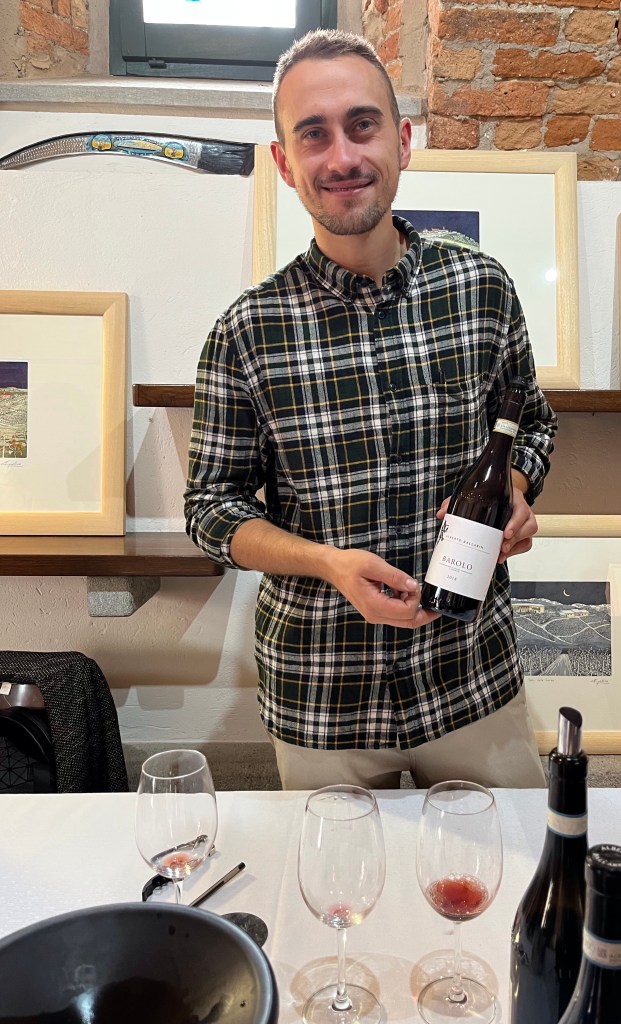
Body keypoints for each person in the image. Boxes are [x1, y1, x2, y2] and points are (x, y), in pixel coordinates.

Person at [185, 29, 558, 790]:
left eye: (363, 125)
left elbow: (532, 424)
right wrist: (327, 564)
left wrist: (516, 491)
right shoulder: (246, 331)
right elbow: (210, 509)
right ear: (284, 162)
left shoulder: (481, 289)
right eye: (313, 134)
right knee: (339, 875)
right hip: (325, 701)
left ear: (403, 140)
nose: (343, 157)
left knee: (507, 868)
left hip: (472, 679)